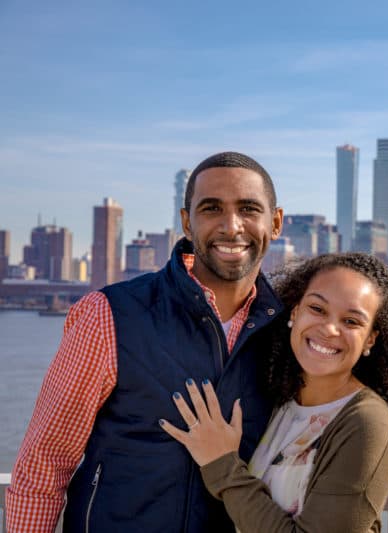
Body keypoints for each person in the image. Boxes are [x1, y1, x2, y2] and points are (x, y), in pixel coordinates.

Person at [6, 151, 285, 532]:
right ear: (187, 222)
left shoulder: (290, 332)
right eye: (211, 208)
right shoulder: (108, 316)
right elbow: (45, 463)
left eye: (248, 209)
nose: (231, 226)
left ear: (276, 222)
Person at [160, 252, 388, 532]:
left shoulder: (366, 423)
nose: (329, 329)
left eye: (351, 322)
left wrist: (221, 465)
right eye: (317, 309)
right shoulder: (280, 399)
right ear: (295, 312)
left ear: (370, 339)